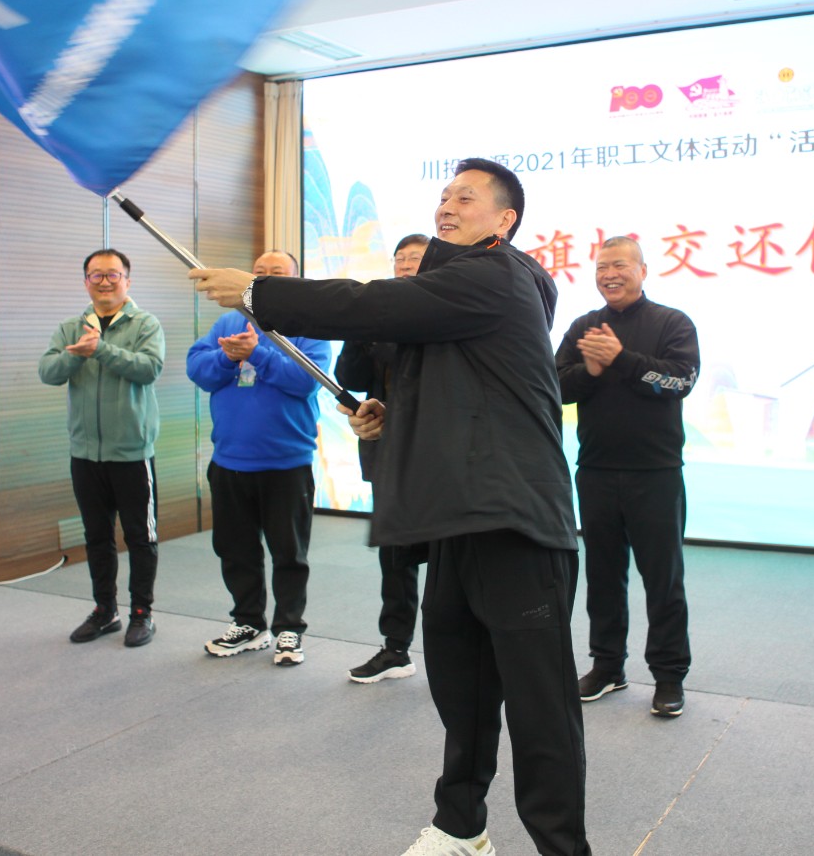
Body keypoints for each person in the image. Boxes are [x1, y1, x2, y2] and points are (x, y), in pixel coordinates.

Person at [192, 159, 591, 856]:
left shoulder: (500, 275)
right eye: (444, 195)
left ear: (504, 221)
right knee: (462, 692)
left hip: (518, 523)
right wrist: (389, 417)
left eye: (466, 197)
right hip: (458, 522)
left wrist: (257, 291)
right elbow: (464, 401)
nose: (447, 206)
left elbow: (367, 304)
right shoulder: (457, 302)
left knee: (540, 709)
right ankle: (462, 827)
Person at [554, 235, 699, 718]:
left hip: (655, 474)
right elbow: (554, 387)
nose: (609, 275)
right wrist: (592, 370)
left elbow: (680, 380)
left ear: (642, 270)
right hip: (596, 471)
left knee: (663, 579)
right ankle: (607, 666)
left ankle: (669, 676)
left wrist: (622, 360)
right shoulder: (584, 326)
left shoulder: (672, 323)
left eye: (619, 265)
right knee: (602, 576)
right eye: (601, 268)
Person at [186, 250, 330, 667]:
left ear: (295, 280)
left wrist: (256, 354)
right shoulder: (229, 321)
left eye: (277, 273)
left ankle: (289, 628)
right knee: (235, 550)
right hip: (229, 461)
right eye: (260, 272)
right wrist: (226, 356)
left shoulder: (309, 325)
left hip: (286, 463)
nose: (267, 278)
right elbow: (198, 369)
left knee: (289, 553)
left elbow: (306, 381)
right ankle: (248, 623)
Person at [39, 249, 165, 648]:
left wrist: (101, 350)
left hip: (132, 453)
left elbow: (149, 368)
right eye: (96, 275)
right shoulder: (71, 327)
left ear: (127, 280)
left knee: (139, 537)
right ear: (86, 282)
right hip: (85, 454)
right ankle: (105, 610)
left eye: (113, 275)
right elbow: (48, 372)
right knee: (96, 536)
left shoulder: (145, 324)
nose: (105, 282)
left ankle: (142, 613)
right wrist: (75, 356)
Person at [336, 233, 431, 684]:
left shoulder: (443, 313)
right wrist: (359, 331)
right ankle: (396, 648)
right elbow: (349, 376)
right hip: (387, 453)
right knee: (395, 560)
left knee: (448, 560)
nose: (405, 265)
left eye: (415, 258)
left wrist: (377, 334)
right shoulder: (379, 315)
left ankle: (459, 650)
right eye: (400, 259)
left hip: (438, 458)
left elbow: (419, 369)